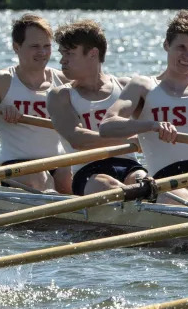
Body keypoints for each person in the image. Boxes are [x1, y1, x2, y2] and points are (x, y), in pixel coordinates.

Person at [99, 10, 188, 208]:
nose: (187, 56)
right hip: (164, 180)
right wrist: (151, 125)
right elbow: (107, 126)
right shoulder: (142, 86)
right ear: (166, 45)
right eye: (181, 47)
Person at [0, 14, 72, 193]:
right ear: (16, 47)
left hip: (59, 165)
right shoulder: (1, 81)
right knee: (41, 177)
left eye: (47, 46)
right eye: (34, 46)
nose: (42, 53)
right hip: (16, 167)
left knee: (70, 177)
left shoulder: (64, 81)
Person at [47, 20, 147, 196]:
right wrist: (129, 140)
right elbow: (77, 139)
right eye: (62, 54)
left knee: (144, 181)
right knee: (109, 185)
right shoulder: (60, 96)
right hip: (88, 172)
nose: (62, 61)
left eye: (69, 54)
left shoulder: (126, 87)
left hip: (129, 166)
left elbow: (160, 118)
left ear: (93, 54)